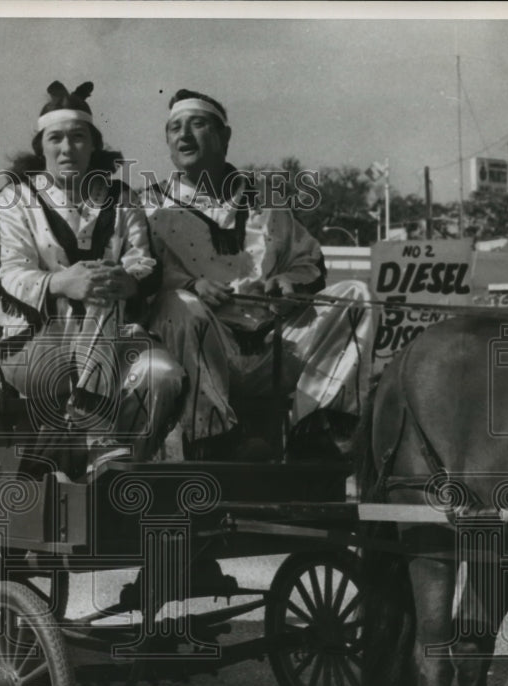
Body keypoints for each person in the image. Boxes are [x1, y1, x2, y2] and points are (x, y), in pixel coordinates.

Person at [143, 89, 377, 460]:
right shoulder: (148, 206)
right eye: (174, 128)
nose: (183, 136)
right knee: (179, 304)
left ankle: (316, 432)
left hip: (272, 347)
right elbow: (139, 275)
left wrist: (288, 283)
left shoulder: (266, 201)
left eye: (197, 124)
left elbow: (308, 263)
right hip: (203, 348)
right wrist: (190, 284)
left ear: (225, 136)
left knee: (355, 297)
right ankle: (211, 434)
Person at [0, 80, 185, 477]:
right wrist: (63, 283)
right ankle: (93, 434)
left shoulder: (122, 198)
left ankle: (106, 467)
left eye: (78, 137)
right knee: (94, 283)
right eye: (56, 138)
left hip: (112, 338)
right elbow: (10, 272)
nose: (67, 148)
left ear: (93, 144)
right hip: (34, 341)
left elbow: (142, 261)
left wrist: (128, 282)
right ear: (40, 146)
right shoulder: (15, 198)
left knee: (162, 375)